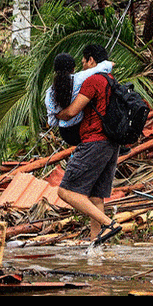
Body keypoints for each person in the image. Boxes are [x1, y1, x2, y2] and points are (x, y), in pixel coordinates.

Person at [56, 43, 123, 246]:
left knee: (66, 191)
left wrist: (56, 115)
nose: (82, 65)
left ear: (92, 60)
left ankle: (108, 224)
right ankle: (97, 250)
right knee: (95, 198)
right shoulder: (111, 79)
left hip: (94, 141)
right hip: (111, 144)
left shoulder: (93, 81)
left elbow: (72, 111)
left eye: (84, 61)